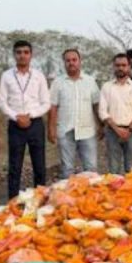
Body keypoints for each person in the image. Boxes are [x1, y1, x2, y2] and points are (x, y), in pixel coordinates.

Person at [0, 40, 50, 199]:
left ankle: (40, 200)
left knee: (39, 166)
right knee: (15, 167)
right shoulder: (6, 76)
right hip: (15, 124)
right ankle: (12, 202)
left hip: (35, 123)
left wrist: (30, 115)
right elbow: (2, 101)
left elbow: (46, 102)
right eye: (19, 52)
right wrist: (16, 117)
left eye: (26, 52)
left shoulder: (39, 76)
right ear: (14, 55)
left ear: (31, 55)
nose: (22, 55)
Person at [48, 48, 102, 178]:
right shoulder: (57, 83)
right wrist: (51, 129)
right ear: (64, 63)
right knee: (67, 169)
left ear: (80, 61)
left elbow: (96, 105)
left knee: (91, 169)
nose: (71, 63)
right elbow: (53, 107)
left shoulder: (90, 81)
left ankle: (90, 198)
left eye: (74, 60)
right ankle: (68, 198)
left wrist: (101, 125)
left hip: (87, 131)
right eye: (68, 60)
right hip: (66, 130)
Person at [99, 53, 132, 174]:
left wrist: (129, 130)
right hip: (112, 131)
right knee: (114, 169)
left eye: (124, 65)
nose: (120, 68)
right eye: (117, 65)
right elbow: (103, 111)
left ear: (129, 67)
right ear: (113, 67)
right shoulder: (106, 87)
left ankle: (130, 192)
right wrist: (117, 129)